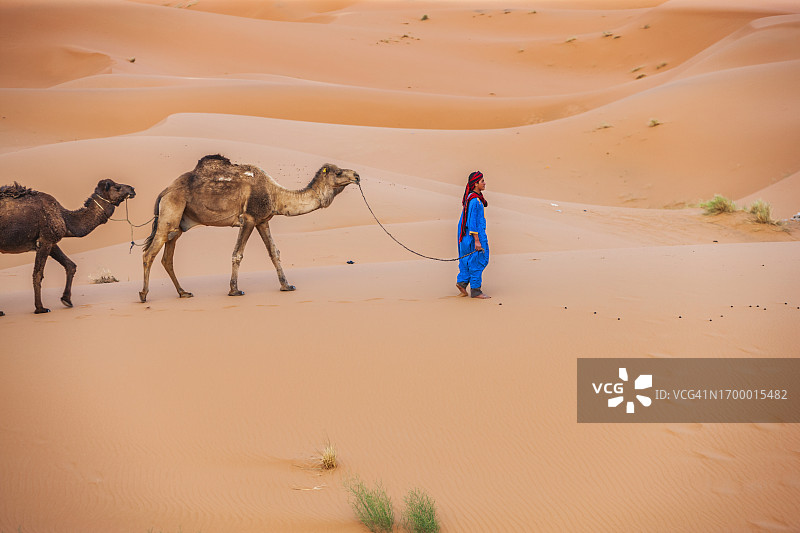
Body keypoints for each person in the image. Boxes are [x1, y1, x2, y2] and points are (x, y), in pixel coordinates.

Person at [456, 171, 490, 299]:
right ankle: (476, 290)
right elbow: (472, 221)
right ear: (475, 184)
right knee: (479, 259)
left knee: (466, 259)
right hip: (473, 235)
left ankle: (462, 282)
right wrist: (477, 240)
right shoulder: (475, 200)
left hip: (465, 236)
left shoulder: (471, 198)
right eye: (482, 181)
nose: (484, 183)